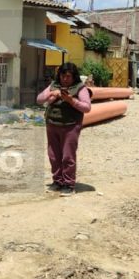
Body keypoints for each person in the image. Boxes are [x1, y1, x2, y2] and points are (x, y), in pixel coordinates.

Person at [36, 62, 91, 196]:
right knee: (54, 155)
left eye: (68, 76)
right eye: (62, 76)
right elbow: (39, 99)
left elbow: (87, 107)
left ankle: (68, 184)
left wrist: (72, 101)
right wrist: (52, 94)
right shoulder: (54, 86)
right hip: (52, 124)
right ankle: (58, 181)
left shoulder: (80, 88)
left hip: (70, 126)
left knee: (67, 156)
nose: (65, 79)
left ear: (74, 77)